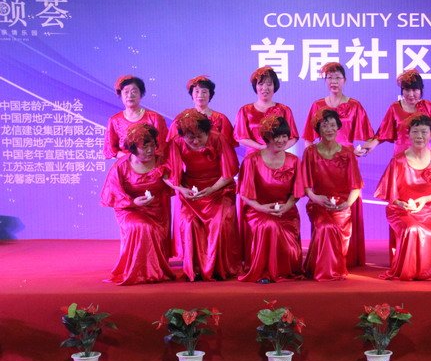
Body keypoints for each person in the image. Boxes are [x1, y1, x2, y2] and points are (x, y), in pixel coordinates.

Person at [301, 62, 372, 267]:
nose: (334, 81)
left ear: (345, 80)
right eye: (330, 78)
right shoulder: (317, 105)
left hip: (346, 162)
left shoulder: (355, 105)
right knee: (323, 212)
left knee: (347, 207)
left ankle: (347, 258)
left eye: (338, 77)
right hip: (322, 163)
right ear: (325, 81)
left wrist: (361, 150)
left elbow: (369, 137)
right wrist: (313, 158)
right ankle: (324, 259)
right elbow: (308, 138)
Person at [375, 114, 431, 281]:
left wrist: (424, 200)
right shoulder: (398, 161)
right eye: (415, 132)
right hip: (400, 211)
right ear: (408, 134)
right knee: (412, 230)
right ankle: (410, 272)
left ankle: (430, 273)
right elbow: (389, 194)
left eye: (424, 132)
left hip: (427, 212)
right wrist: (401, 204)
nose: (420, 136)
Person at [165, 109, 241, 281]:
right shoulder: (177, 142)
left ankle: (218, 268)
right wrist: (181, 189)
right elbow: (166, 174)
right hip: (191, 191)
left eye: (200, 136)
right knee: (189, 223)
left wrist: (212, 189)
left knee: (218, 222)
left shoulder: (218, 138)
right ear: (183, 136)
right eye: (190, 138)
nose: (195, 141)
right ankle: (195, 269)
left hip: (219, 188)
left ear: (207, 132)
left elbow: (229, 173)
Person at [101, 123, 174, 285]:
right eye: (144, 147)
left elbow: (173, 182)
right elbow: (113, 194)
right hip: (130, 210)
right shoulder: (121, 166)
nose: (150, 150)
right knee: (142, 227)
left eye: (152, 145)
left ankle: (153, 270)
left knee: (153, 229)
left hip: (157, 209)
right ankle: (140, 272)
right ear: (133, 149)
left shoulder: (161, 161)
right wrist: (133, 202)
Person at [237, 116, 304, 283]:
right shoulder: (252, 160)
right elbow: (244, 193)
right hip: (257, 210)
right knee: (269, 225)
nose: (281, 140)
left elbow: (296, 193)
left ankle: (282, 271)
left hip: (286, 212)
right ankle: (265, 272)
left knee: (277, 228)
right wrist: (261, 208)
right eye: (276, 136)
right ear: (267, 137)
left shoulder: (294, 161)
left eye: (284, 136)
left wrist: (286, 207)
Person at [301, 109, 363, 281]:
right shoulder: (310, 152)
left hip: (341, 206)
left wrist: (347, 204)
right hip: (318, 205)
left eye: (333, 125)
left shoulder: (347, 153)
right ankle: (326, 273)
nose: (329, 129)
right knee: (326, 228)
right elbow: (305, 185)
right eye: (324, 125)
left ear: (338, 127)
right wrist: (316, 198)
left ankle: (320, 268)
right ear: (318, 129)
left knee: (334, 232)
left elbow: (356, 186)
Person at [363, 69, 431, 156]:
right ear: (402, 90)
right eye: (407, 90)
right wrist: (371, 145)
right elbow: (384, 132)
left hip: (424, 155)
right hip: (401, 155)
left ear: (421, 90)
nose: (411, 94)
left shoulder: (429, 107)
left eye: (415, 90)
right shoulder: (395, 108)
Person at [234, 66, 299, 159]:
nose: (265, 88)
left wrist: (277, 149)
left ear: (274, 86)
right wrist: (261, 147)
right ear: (255, 87)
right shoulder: (245, 110)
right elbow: (240, 137)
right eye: (260, 84)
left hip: (277, 158)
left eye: (269, 84)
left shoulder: (284, 110)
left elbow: (293, 137)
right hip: (253, 159)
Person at [103, 75, 168, 159]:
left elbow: (162, 147)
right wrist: (132, 158)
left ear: (141, 94)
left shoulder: (155, 118)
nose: (130, 95)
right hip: (126, 164)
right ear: (120, 95)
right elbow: (111, 150)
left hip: (152, 164)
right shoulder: (115, 120)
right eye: (126, 92)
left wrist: (144, 159)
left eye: (134, 91)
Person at [167, 75, 236, 147]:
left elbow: (226, 147)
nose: (200, 95)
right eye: (197, 91)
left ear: (210, 95)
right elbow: (174, 144)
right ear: (192, 94)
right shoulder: (181, 118)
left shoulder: (221, 119)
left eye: (204, 92)